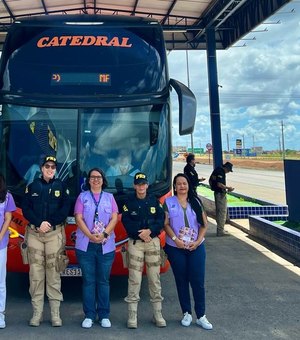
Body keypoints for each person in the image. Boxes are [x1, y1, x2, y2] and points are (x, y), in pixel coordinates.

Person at [22, 155, 70, 327]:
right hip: (35, 234)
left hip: (53, 234)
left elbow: (65, 208)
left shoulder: (61, 187)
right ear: (41, 168)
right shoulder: (32, 187)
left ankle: (55, 314)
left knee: (54, 273)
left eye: (53, 167)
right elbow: (25, 208)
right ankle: (37, 314)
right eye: (47, 166)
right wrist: (38, 223)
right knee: (35, 274)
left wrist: (49, 223)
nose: (50, 169)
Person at [163, 173, 212, 330]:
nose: (182, 186)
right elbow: (166, 224)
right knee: (181, 280)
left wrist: (197, 242)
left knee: (197, 281)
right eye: (179, 184)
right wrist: (176, 240)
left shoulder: (196, 201)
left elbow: (204, 224)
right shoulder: (168, 202)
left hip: (196, 247)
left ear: (188, 185)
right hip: (176, 247)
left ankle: (201, 315)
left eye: (184, 183)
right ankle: (186, 313)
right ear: (175, 187)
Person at [74, 168, 118, 329]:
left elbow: (114, 218)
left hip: (106, 246)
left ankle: (104, 314)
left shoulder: (110, 197)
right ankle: (89, 315)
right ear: (88, 180)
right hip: (86, 245)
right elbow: (78, 218)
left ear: (103, 180)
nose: (95, 180)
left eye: (98, 177)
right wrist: (91, 236)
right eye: (92, 177)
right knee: (88, 281)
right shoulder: (82, 197)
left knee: (104, 281)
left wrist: (105, 234)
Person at [121, 172, 166, 329]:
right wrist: (141, 233)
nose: (141, 186)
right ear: (134, 186)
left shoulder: (154, 201)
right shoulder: (129, 202)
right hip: (135, 244)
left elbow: (161, 220)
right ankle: (132, 315)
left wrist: (150, 232)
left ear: (147, 185)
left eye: (143, 184)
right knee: (134, 279)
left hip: (152, 242)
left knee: (154, 278)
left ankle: (158, 314)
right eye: (138, 184)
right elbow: (126, 221)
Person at [0, 174, 16, 329]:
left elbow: (8, 218)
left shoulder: (7, 196)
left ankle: (0, 314)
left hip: (0, 244)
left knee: (0, 281)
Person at [209, 162, 234, 236]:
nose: (228, 172)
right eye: (228, 170)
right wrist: (228, 188)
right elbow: (219, 184)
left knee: (220, 211)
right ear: (226, 168)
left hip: (218, 192)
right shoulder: (220, 172)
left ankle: (220, 229)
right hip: (220, 194)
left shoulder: (217, 170)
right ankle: (220, 231)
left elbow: (211, 181)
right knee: (222, 212)